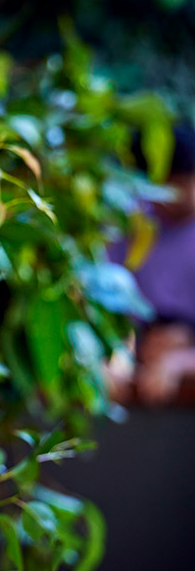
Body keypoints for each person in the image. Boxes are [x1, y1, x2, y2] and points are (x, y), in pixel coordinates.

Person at [112, 125, 195, 404]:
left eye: (180, 184)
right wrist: (118, 355)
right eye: (161, 186)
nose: (170, 197)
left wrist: (181, 361)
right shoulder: (131, 222)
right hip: (138, 348)